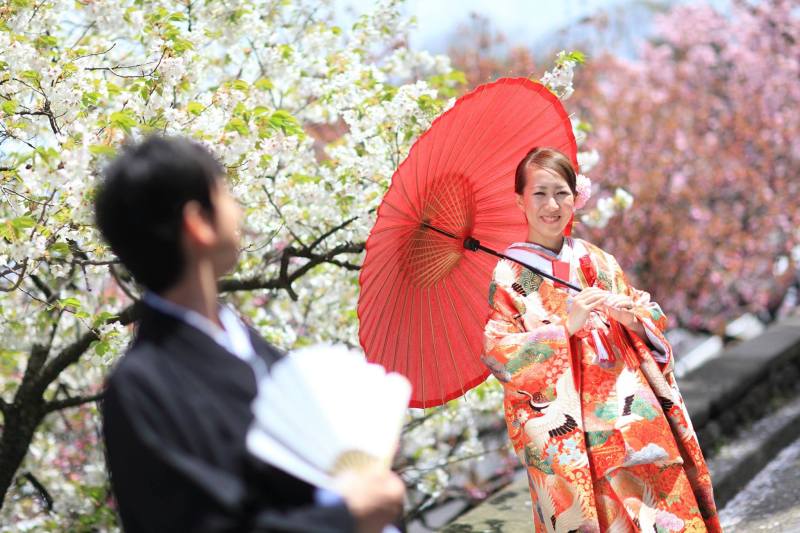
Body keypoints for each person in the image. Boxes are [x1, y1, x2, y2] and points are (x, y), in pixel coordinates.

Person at [95, 136, 405, 532]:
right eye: (224, 192)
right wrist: (346, 514)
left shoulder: (242, 343)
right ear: (198, 224)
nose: (238, 209)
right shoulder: (142, 387)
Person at [482, 147, 721, 532]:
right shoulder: (511, 276)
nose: (551, 205)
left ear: (576, 198)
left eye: (561, 193)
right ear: (520, 201)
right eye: (539, 193)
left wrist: (633, 319)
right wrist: (564, 329)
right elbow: (500, 352)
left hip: (639, 419)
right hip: (581, 437)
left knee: (670, 519)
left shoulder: (599, 261)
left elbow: (648, 310)